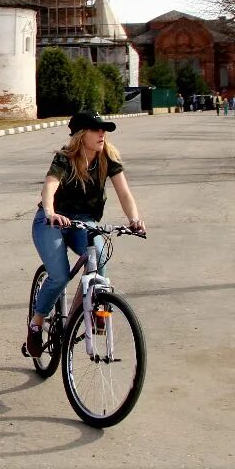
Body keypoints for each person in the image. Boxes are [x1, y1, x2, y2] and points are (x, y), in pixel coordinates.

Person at [26, 111, 146, 359]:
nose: (102, 133)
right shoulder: (65, 158)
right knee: (59, 276)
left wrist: (134, 219)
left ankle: (83, 313)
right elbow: (50, 186)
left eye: (104, 129)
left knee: (100, 264)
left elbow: (124, 193)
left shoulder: (108, 158)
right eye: (96, 129)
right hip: (52, 220)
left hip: (85, 222)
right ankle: (37, 324)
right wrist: (49, 211)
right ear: (81, 135)